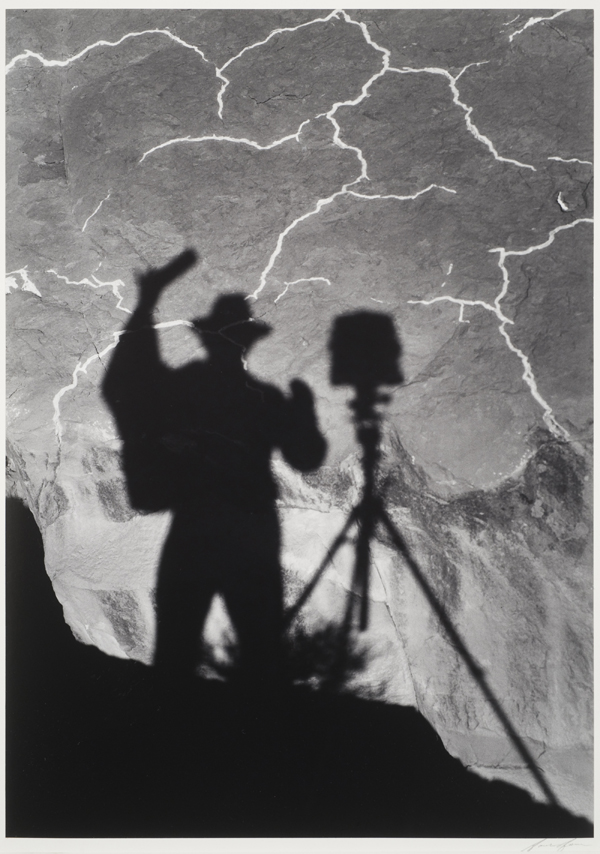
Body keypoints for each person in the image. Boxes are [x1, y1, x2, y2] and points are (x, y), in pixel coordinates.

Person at [102, 251, 327, 685]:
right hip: (243, 527)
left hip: (203, 525)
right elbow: (307, 457)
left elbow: (123, 385)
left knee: (185, 642)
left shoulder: (191, 389)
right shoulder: (259, 398)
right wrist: (304, 412)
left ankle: (184, 735)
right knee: (253, 645)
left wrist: (147, 303)